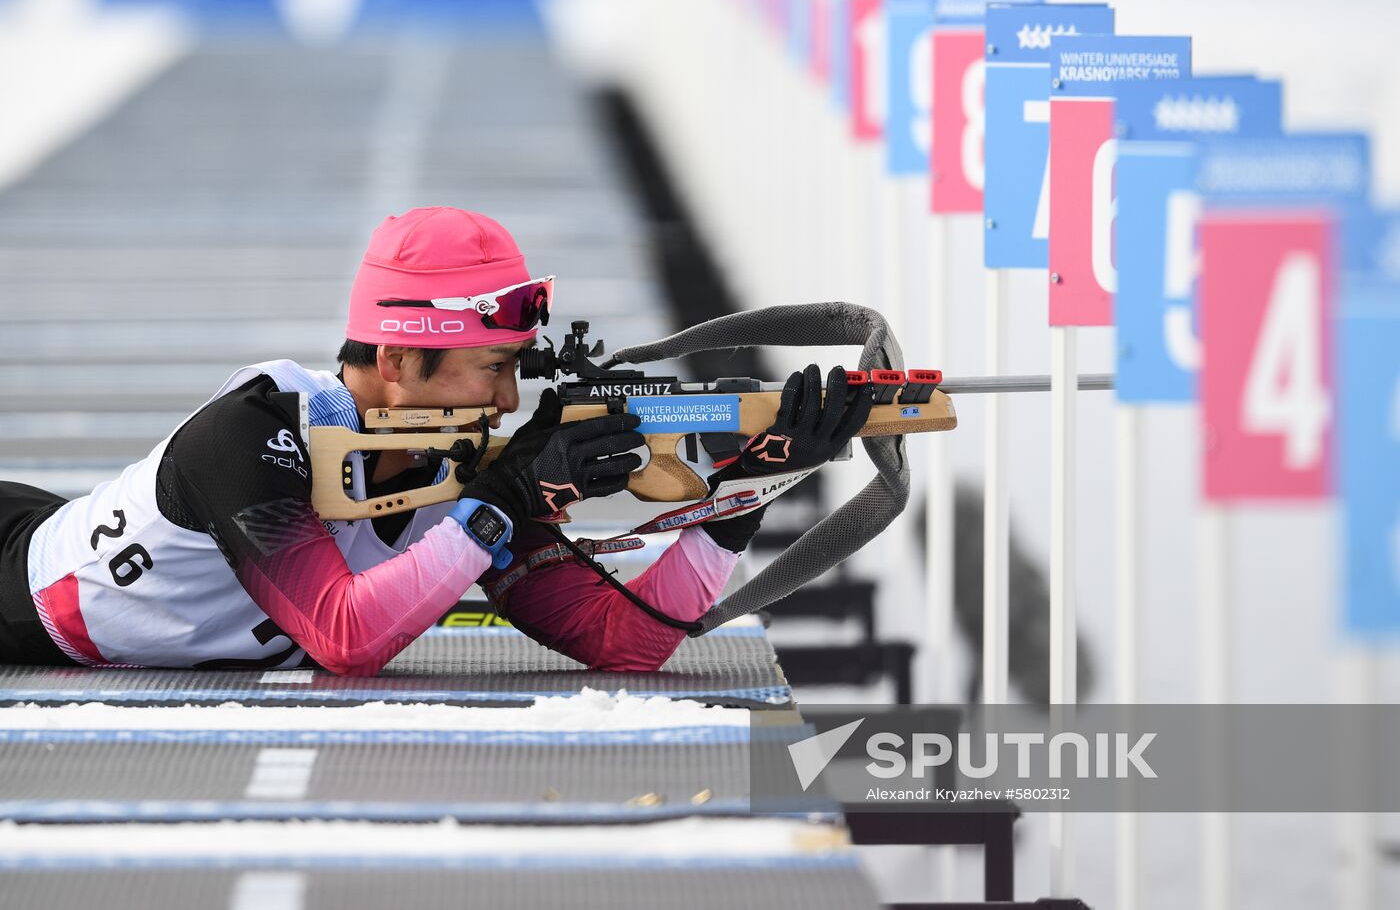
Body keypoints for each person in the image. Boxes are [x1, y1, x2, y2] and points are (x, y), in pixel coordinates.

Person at [0, 207, 871, 676]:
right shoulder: (251, 433)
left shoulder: (459, 472)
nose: (509, 399)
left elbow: (627, 641)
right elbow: (344, 637)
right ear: (394, 360)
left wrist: (743, 493)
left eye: (517, 368)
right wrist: (502, 506)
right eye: (491, 367)